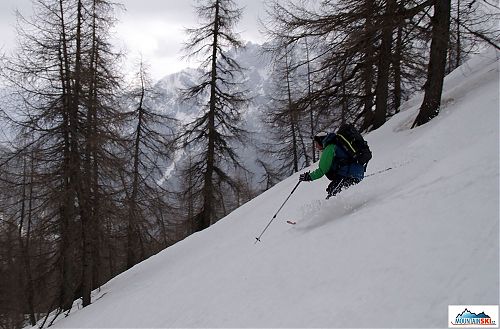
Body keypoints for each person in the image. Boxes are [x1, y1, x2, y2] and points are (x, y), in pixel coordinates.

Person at [299, 131, 365, 198]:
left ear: (321, 141)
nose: (316, 146)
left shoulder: (330, 148)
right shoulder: (335, 145)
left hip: (348, 175)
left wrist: (309, 176)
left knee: (332, 195)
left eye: (316, 143)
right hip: (353, 174)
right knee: (335, 192)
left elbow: (322, 170)